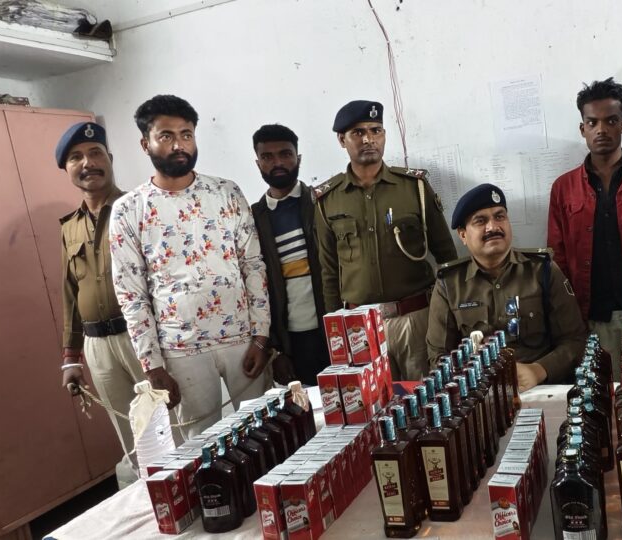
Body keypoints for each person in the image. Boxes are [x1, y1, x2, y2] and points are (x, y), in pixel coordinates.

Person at [110, 94, 272, 440]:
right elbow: (131, 294)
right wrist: (152, 365)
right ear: (146, 144)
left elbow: (253, 266)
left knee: (265, 431)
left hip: (242, 339)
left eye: (186, 134)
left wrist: (261, 336)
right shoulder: (129, 209)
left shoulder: (226, 193)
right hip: (180, 348)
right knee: (203, 443)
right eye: (166, 136)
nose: (178, 145)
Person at [314, 100, 456, 381]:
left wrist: (450, 315)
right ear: (342, 140)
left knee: (427, 395)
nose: (368, 139)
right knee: (374, 401)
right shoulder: (327, 199)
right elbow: (329, 273)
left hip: (416, 319)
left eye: (375, 130)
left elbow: (446, 255)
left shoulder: (414, 187)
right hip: (359, 327)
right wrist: (337, 333)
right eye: (358, 132)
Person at [547, 77, 622, 367]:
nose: (601, 130)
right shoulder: (564, 188)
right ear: (583, 129)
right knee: (598, 393)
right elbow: (557, 259)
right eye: (593, 122)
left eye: (611, 121)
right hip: (588, 320)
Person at [427, 184, 586, 392]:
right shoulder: (449, 284)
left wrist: (538, 370)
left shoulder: (543, 271)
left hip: (540, 388)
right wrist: (473, 378)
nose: (493, 227)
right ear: (463, 235)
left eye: (499, 216)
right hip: (479, 393)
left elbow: (575, 341)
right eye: (480, 221)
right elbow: (438, 357)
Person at [56, 121, 145, 485]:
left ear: (109, 159)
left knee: (170, 425)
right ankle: (154, 502)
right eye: (76, 157)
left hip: (141, 339)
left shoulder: (137, 208)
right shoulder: (69, 227)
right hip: (98, 347)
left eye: (95, 154)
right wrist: (71, 358)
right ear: (67, 169)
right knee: (131, 439)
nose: (87, 163)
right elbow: (70, 293)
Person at [249, 123, 331, 386]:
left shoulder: (323, 202)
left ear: (298, 158)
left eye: (285, 154)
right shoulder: (253, 218)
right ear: (258, 163)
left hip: (332, 328)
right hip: (291, 341)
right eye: (268, 157)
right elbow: (258, 288)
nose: (277, 163)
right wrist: (276, 350)